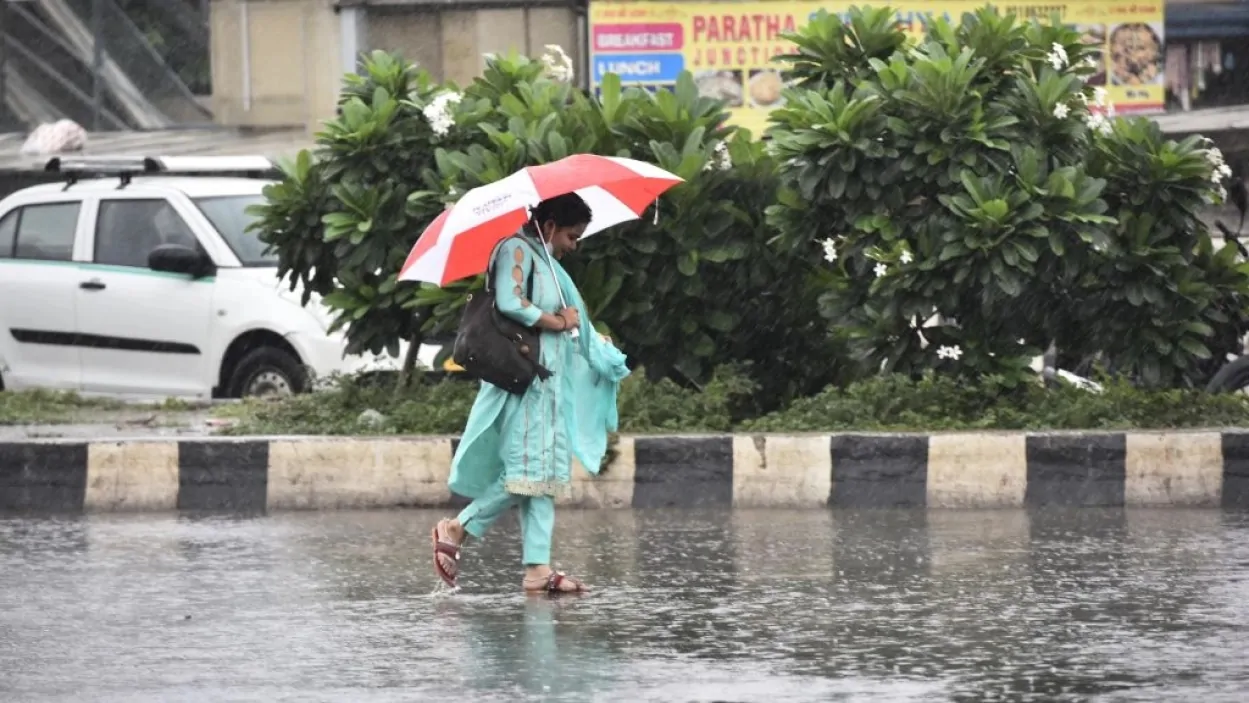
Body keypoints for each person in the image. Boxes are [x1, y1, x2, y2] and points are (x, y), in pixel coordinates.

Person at [431, 192, 630, 594]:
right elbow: (511, 302)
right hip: (526, 385)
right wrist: (559, 321)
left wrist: (583, 333)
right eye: (572, 236)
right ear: (551, 226)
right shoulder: (514, 249)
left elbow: (566, 321)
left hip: (549, 385)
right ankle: (458, 527)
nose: (574, 245)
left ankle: (538, 568)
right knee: (526, 474)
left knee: (544, 477)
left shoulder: (547, 263)